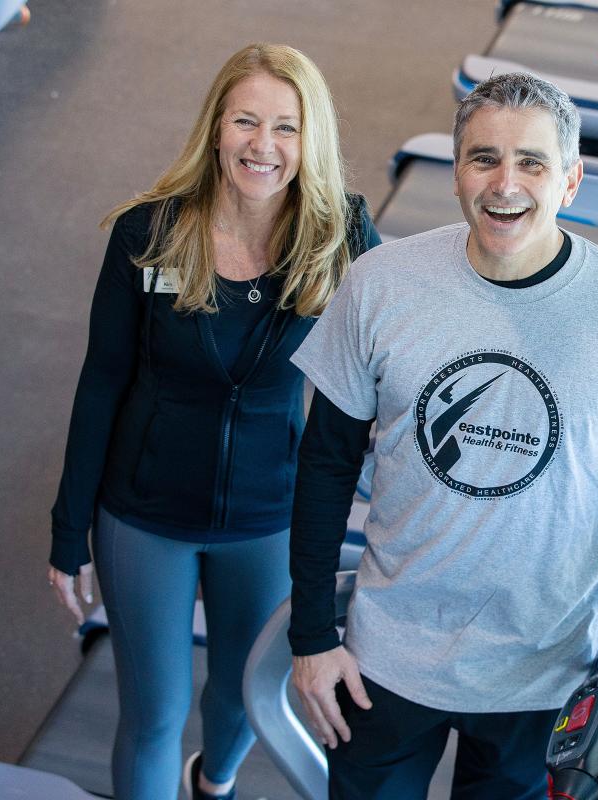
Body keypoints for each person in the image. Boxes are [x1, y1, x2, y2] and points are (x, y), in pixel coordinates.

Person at [287, 72, 598, 799]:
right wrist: (311, 636)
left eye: (532, 162)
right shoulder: (381, 284)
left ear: (571, 180)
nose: (506, 184)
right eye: (484, 158)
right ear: (457, 170)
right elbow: (324, 463)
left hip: (545, 677)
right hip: (390, 661)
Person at [46, 43, 380, 800]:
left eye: (286, 128)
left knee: (241, 698)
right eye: (246, 122)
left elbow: (393, 353)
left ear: (311, 138)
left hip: (267, 516)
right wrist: (70, 530)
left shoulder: (342, 236)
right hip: (143, 514)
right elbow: (101, 381)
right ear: (217, 128)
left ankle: (215, 782)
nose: (264, 146)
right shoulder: (149, 233)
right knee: (154, 714)